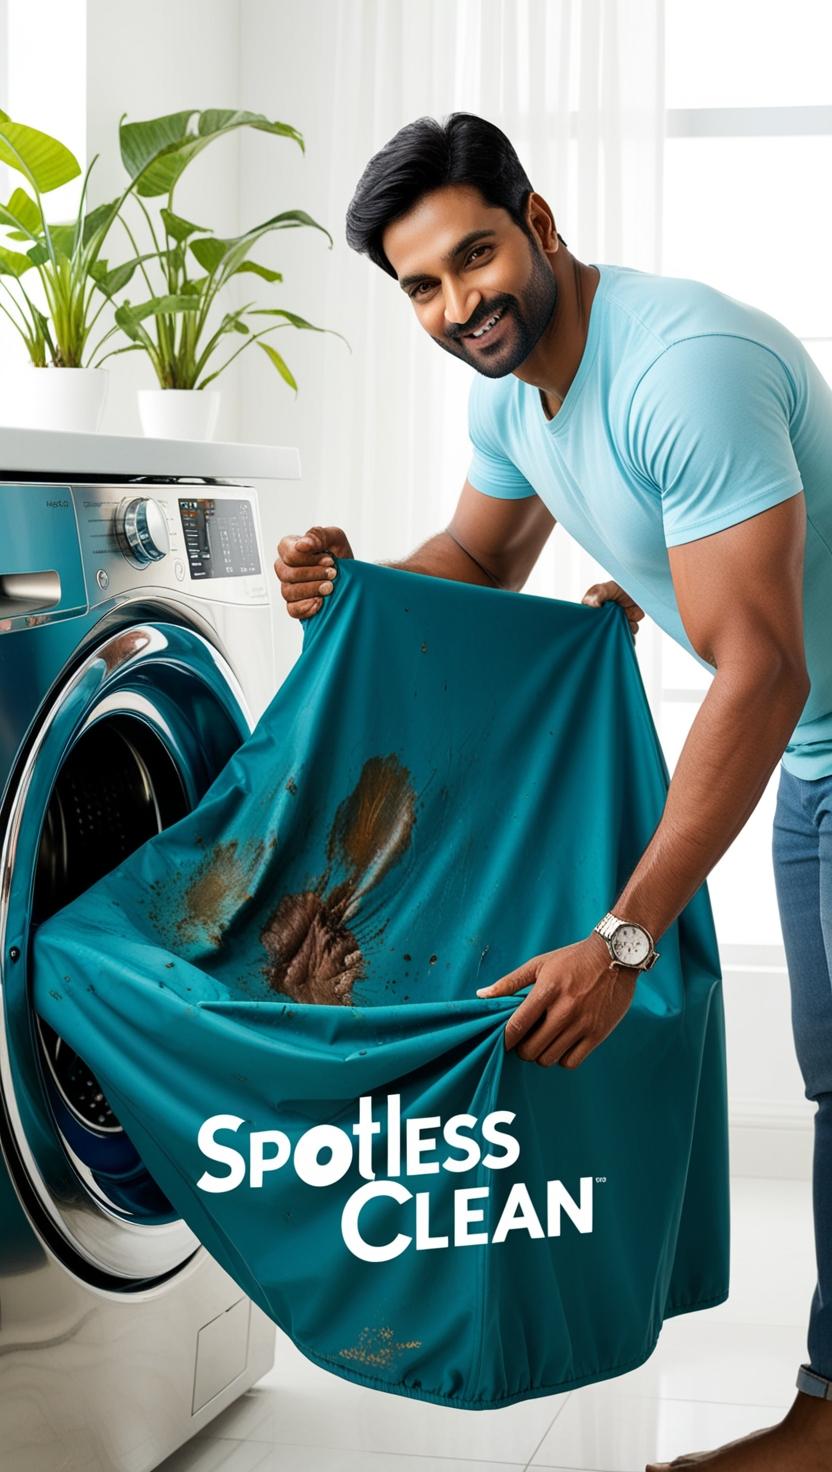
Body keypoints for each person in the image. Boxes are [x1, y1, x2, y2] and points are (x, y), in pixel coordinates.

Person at [273, 112, 832, 1471]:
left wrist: (624, 939)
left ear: (541, 221)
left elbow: (757, 672)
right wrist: (353, 602)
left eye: (477, 256)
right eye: (423, 286)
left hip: (799, 719)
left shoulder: (680, 371)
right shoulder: (512, 386)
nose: (461, 304)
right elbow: (478, 553)